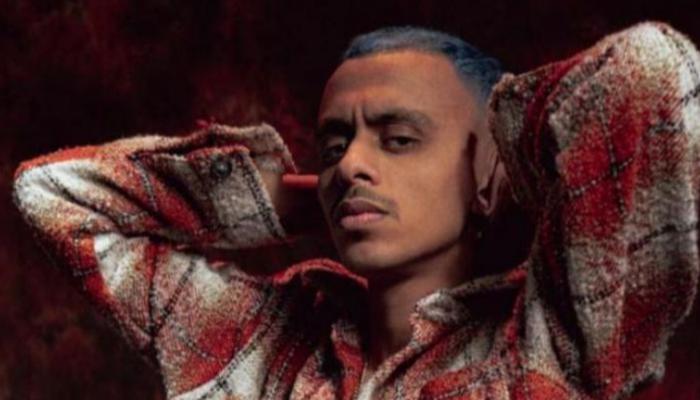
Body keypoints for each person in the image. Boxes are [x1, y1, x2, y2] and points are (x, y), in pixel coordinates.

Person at [12, 21, 700, 400]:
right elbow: (53, 196)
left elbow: (648, 72)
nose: (349, 166)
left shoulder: (557, 342)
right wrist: (293, 200)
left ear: (486, 171)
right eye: (335, 145)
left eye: (399, 140)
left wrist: (509, 172)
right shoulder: (261, 339)